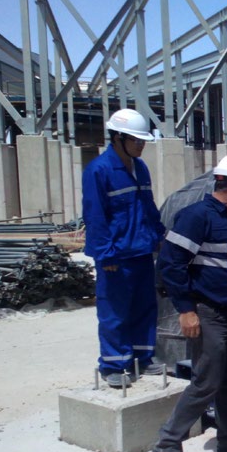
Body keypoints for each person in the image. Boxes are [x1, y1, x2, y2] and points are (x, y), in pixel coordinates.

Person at [151, 153, 227, 452]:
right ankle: (167, 445)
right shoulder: (196, 217)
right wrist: (186, 310)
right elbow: (170, 265)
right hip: (208, 312)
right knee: (206, 382)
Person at [82, 108, 165, 387]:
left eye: (143, 141)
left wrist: (159, 235)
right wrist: (105, 254)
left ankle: (142, 358)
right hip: (115, 255)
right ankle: (113, 365)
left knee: (144, 307)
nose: (141, 145)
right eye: (136, 140)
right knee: (114, 312)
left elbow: (148, 207)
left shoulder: (140, 168)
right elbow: (95, 216)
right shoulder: (99, 170)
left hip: (141, 250)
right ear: (117, 138)